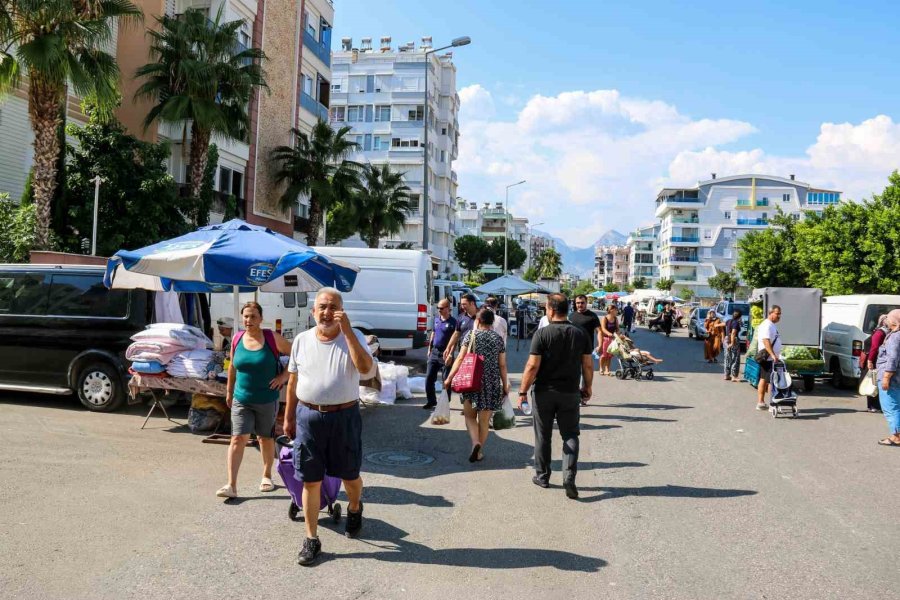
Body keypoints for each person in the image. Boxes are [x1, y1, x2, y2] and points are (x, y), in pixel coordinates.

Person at [283, 288, 376, 566]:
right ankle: (311, 539)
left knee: (350, 476)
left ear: (342, 311)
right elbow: (292, 382)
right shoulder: (301, 340)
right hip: (308, 416)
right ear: (313, 312)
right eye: (321, 307)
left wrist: (347, 332)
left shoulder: (355, 337)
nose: (326, 312)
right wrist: (288, 417)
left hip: (344, 417)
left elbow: (365, 370)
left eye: (332, 307)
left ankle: (355, 506)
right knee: (310, 478)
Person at [517, 294, 592, 499]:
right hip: (570, 392)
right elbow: (587, 364)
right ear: (567, 309)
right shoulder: (580, 333)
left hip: (544, 392)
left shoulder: (542, 334)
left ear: (550, 310)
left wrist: (522, 392)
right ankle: (569, 476)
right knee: (570, 434)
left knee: (543, 435)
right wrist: (588, 387)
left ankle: (542, 476)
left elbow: (532, 366)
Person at [217, 302, 292, 500]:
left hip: (267, 399)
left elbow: (297, 355)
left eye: (253, 316)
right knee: (237, 438)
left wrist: (283, 377)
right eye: (246, 317)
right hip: (242, 398)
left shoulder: (271, 338)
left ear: (260, 318)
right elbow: (232, 366)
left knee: (264, 438)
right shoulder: (237, 338)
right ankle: (231, 484)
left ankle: (267, 475)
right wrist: (229, 391)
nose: (248, 320)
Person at [443, 309, 509, 462]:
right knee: (484, 421)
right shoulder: (498, 338)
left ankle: (475, 443)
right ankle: (479, 451)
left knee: (470, 416)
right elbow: (502, 365)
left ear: (477, 321)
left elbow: (460, 358)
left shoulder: (471, 335)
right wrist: (505, 384)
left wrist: (449, 378)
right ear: (492, 322)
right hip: (491, 382)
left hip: (471, 380)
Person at [442, 294, 479, 405]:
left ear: (472, 303)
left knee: (474, 378)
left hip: (477, 354)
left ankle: (475, 402)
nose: (462, 306)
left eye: (464, 304)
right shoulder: (461, 317)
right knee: (463, 377)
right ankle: (466, 403)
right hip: (463, 352)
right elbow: (456, 334)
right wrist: (448, 348)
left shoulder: (480, 316)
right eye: (461, 304)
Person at [422, 298, 457, 410]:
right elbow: (433, 333)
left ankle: (445, 401)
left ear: (448, 309)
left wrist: (450, 354)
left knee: (446, 380)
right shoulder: (436, 319)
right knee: (429, 378)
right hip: (435, 352)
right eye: (438, 308)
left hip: (446, 353)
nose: (439, 310)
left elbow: (455, 341)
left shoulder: (453, 322)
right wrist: (429, 348)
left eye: (441, 308)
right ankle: (431, 401)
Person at [875, 309, 900, 446]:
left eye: (889, 318)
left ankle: (896, 436)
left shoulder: (895, 336)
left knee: (891, 407)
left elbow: (892, 358)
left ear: (895, 321)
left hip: (892, 378)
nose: (887, 320)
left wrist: (886, 377)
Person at [755, 305, 782, 411]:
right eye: (777, 313)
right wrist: (772, 355)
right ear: (771, 313)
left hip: (770, 358)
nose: (779, 316)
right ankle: (771, 403)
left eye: (780, 313)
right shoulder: (767, 325)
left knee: (765, 379)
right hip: (769, 358)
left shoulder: (771, 325)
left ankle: (762, 402)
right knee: (771, 381)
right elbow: (766, 341)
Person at [861, 315, 887, 412]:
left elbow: (874, 348)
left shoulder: (879, 332)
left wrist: (870, 360)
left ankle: (873, 406)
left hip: (874, 361)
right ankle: (873, 405)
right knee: (874, 382)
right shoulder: (883, 332)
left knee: (872, 382)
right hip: (876, 361)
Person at [598, 305, 619, 376]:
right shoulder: (605, 318)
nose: (617, 311)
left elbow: (617, 328)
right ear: (611, 310)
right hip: (605, 338)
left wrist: (618, 334)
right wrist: (609, 334)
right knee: (604, 355)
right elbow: (603, 329)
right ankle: (601, 368)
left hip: (613, 339)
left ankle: (607, 370)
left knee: (610, 355)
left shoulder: (615, 319)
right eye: (616, 310)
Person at [723, 309, 742, 381]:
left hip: (726, 339)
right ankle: (734, 376)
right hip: (733, 340)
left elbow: (724, 324)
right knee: (735, 358)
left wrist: (716, 325)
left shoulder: (729, 321)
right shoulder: (736, 323)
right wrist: (732, 343)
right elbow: (733, 333)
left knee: (727, 358)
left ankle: (726, 375)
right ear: (740, 317)